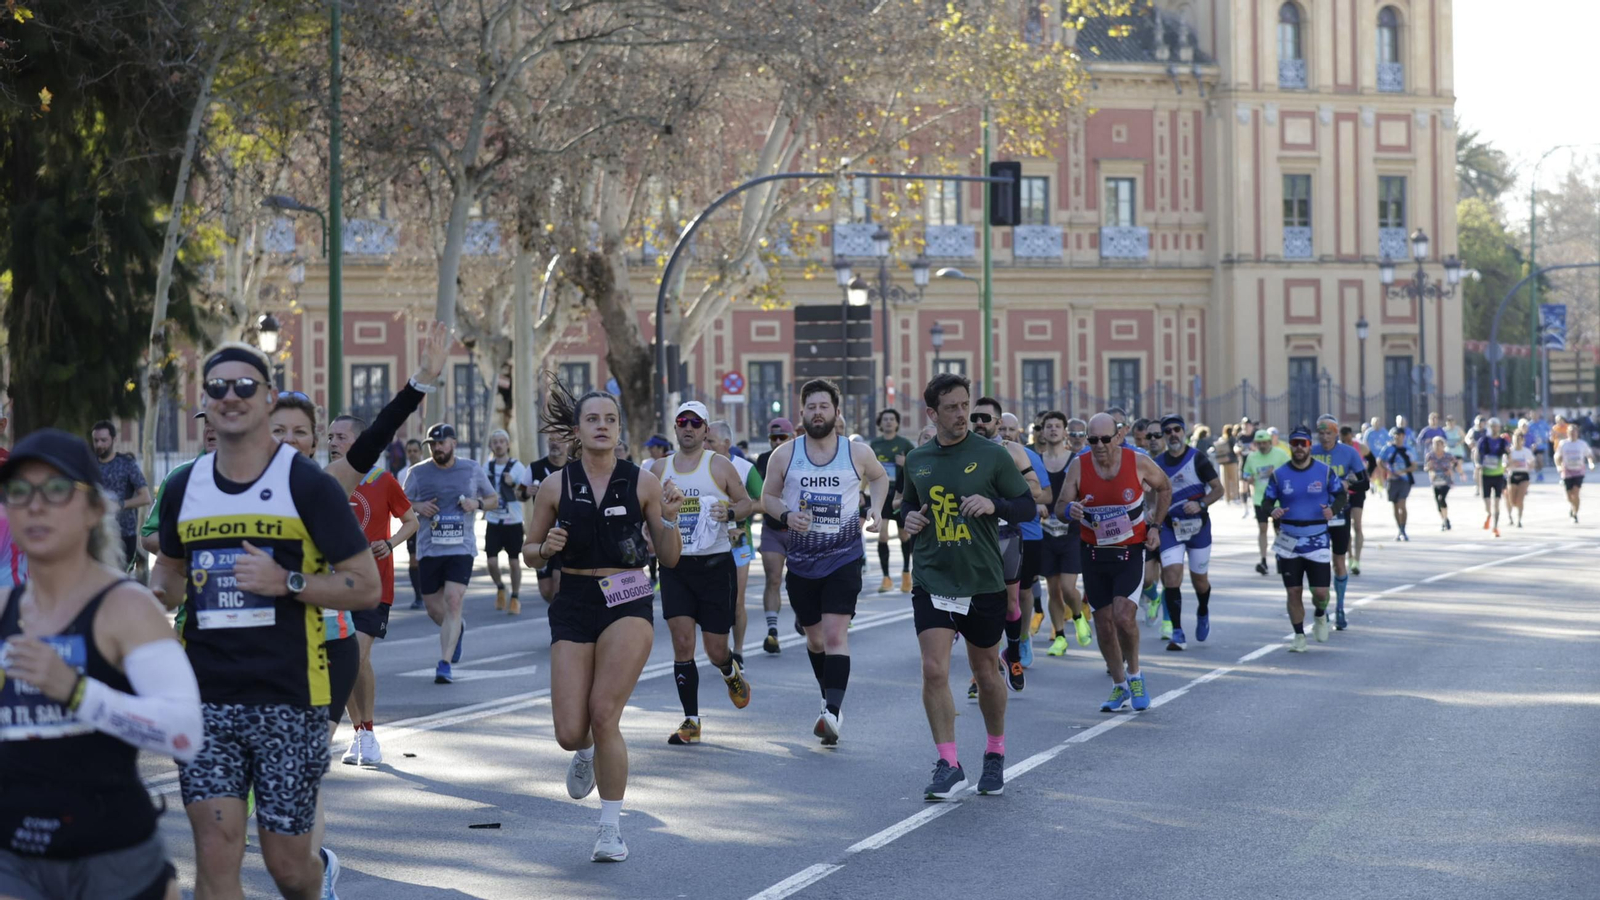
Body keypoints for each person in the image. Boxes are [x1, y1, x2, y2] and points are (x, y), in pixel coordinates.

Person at [149, 342, 380, 900]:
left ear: (268, 397)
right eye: (218, 388)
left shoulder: (307, 485)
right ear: (204, 401)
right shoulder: (184, 487)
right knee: (216, 854)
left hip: (290, 698)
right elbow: (171, 577)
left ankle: (319, 876)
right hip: (206, 699)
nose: (232, 397)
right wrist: (153, 593)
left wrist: (288, 582)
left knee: (286, 865)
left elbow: (365, 585)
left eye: (245, 386)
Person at [0, 429, 202, 900]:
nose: (34, 505)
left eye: (55, 489)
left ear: (94, 510)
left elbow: (185, 733)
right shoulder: (4, 608)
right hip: (14, 856)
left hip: (113, 858)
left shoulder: (125, 607)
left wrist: (76, 691)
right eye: (18, 491)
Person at [523, 386, 684, 863]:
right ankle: (585, 750)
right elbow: (529, 554)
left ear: (618, 429)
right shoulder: (555, 486)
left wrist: (670, 522)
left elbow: (670, 559)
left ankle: (610, 828)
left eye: (610, 419)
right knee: (570, 732)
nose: (601, 425)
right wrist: (545, 549)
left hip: (628, 596)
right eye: (591, 418)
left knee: (604, 712)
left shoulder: (643, 483)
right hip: (573, 599)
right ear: (577, 431)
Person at [900, 373, 1034, 799]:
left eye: (965, 405)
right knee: (934, 669)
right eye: (953, 408)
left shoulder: (992, 456)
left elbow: (1027, 504)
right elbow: (906, 503)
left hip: (981, 579)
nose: (962, 415)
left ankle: (994, 753)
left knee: (985, 671)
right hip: (932, 576)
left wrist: (995, 503)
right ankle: (948, 761)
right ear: (932, 414)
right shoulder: (918, 458)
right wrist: (908, 518)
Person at [759, 381, 888, 744]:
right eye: (811, 407)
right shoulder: (784, 455)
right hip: (801, 561)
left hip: (844, 556)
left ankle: (832, 711)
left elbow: (879, 478)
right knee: (815, 640)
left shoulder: (857, 452)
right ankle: (827, 697)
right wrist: (786, 516)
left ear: (836, 412)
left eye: (824, 406)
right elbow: (767, 496)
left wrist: (876, 509)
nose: (818, 412)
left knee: (834, 635)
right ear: (802, 413)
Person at [646, 401, 755, 746]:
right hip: (676, 566)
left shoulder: (718, 465)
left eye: (696, 422)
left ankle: (729, 671)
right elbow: (645, 510)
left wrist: (730, 512)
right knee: (682, 644)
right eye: (682, 422)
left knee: (715, 649)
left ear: (706, 430)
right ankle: (691, 720)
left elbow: (746, 503)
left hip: (714, 566)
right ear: (675, 429)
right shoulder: (657, 469)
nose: (688, 427)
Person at [1056, 412, 1171, 714]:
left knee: (1123, 618)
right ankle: (1119, 685)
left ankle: (1135, 675)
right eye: (1093, 440)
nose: (1099, 445)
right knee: (1104, 626)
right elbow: (1059, 507)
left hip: (1129, 551)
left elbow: (1165, 487)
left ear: (1119, 436)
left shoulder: (1138, 462)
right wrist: (1070, 510)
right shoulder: (1079, 466)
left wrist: (1156, 527)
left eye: (1105, 439)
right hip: (1093, 554)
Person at [329, 414, 417, 767]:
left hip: (373, 586)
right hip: (333, 587)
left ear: (360, 442)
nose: (333, 442)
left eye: (341, 436)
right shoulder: (325, 481)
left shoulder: (383, 480)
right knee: (345, 661)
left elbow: (411, 520)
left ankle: (368, 734)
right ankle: (360, 733)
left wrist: (390, 542)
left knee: (356, 658)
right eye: (330, 436)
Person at [403, 422, 499, 685]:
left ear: (453, 443)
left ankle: (444, 663)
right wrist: (418, 506)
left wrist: (476, 503)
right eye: (432, 444)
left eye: (441, 443)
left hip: (461, 547)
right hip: (429, 548)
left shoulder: (471, 469)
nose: (436, 448)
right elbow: (400, 505)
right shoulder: (418, 473)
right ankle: (458, 630)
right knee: (435, 609)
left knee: (453, 600)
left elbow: (493, 499)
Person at [968, 399, 1047, 691]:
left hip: (1006, 535)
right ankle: (981, 671)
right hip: (972, 538)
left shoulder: (1012, 451)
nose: (978, 422)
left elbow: (1036, 490)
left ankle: (1012, 654)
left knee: (1011, 603)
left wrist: (999, 497)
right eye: (974, 416)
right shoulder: (961, 450)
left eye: (985, 418)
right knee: (976, 606)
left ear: (998, 423)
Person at [1262, 426, 1346, 653]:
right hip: (1288, 540)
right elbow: (1266, 501)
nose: (1299, 447)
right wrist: (1273, 511)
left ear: (1310, 446)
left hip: (1317, 539)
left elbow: (1341, 495)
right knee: (1293, 591)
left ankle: (1320, 614)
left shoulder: (1325, 471)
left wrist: (1332, 510)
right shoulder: (1279, 475)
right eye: (1295, 443)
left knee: (1320, 592)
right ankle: (1299, 634)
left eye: (1303, 443)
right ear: (1290, 445)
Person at [1154, 414, 1223, 650]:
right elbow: (1150, 495)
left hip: (1198, 527)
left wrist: (1201, 504)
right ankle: (1177, 632)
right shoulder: (1157, 463)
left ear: (1183, 432)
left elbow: (1218, 489)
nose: (1173, 434)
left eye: (1177, 430)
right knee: (1171, 577)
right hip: (1169, 527)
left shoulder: (1198, 459)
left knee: (1200, 581)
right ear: (1164, 436)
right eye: (1168, 431)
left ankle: (1203, 611)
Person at [707, 420, 762, 665]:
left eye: (710, 441)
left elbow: (763, 501)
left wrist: (737, 508)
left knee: (737, 598)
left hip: (739, 541)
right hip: (707, 543)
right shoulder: (699, 465)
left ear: (726, 443)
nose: (705, 445)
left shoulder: (744, 468)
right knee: (715, 600)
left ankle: (738, 651)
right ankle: (720, 650)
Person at [1038, 414, 1091, 656]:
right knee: (1053, 589)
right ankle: (1059, 637)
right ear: (1042, 432)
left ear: (1065, 432)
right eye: (1048, 426)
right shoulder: (1036, 461)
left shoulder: (1076, 461)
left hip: (1071, 531)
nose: (1053, 430)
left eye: (1057, 426)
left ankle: (1078, 616)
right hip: (1045, 532)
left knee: (1069, 588)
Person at [1311, 416, 1369, 630]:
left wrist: (1347, 482)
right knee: (1317, 563)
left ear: (1336, 434)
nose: (1325, 437)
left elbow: (1365, 482)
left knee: (1338, 562)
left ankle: (1340, 608)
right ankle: (1321, 608)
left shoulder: (1349, 453)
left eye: (1329, 433)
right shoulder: (1311, 452)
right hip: (1314, 516)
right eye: (1321, 433)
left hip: (1339, 514)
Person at [1001, 411, 1046, 668]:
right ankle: (999, 645)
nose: (1006, 433)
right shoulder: (985, 455)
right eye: (1003, 428)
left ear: (1018, 432)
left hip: (1027, 533)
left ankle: (1023, 637)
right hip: (997, 534)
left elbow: (1044, 493)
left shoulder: (1027, 457)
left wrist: (1031, 502)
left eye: (1011, 429)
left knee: (1024, 591)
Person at [140, 412, 216, 557]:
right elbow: (148, 535)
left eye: (217, 421)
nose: (210, 428)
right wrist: (190, 554)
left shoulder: (258, 476)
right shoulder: (178, 478)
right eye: (207, 422)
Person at [754, 417, 793, 653]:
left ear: (792, 438)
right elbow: (757, 494)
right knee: (774, 578)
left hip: (799, 530)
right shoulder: (762, 460)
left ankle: (803, 618)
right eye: (773, 438)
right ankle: (772, 632)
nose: (777, 441)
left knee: (800, 580)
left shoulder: (801, 457)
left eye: (782, 437)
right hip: (772, 529)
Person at [89, 420, 151, 571]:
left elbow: (145, 498)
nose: (99, 445)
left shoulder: (126, 464)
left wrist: (121, 505)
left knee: (122, 580)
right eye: (96, 440)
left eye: (104, 440)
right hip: (96, 535)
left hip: (125, 535)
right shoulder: (90, 465)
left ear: (114, 440)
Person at [482, 430, 529, 615]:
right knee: (491, 562)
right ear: (491, 446)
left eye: (502, 441)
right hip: (493, 520)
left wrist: (514, 484)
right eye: (495, 442)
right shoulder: (487, 467)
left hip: (513, 521)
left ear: (508, 444)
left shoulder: (517, 467)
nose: (499, 445)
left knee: (514, 562)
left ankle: (515, 597)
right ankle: (501, 587)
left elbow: (525, 493)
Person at [869, 409, 915, 595]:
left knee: (904, 536)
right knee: (882, 535)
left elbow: (916, 467)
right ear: (880, 423)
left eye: (892, 419)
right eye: (885, 419)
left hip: (901, 494)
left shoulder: (904, 444)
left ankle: (906, 574)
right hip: (882, 494)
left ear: (897, 423)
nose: (888, 422)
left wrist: (906, 463)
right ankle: (886, 578)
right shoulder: (875, 444)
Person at [520, 437, 571, 604]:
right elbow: (519, 493)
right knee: (546, 590)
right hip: (543, 533)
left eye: (559, 439)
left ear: (568, 442)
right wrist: (527, 491)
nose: (555, 443)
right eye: (551, 439)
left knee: (559, 583)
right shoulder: (535, 468)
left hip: (567, 534)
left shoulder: (576, 468)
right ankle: (560, 613)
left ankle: (564, 621)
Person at [1241, 429, 1290, 576]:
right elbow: (1245, 473)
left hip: (1278, 499)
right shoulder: (1252, 457)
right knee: (1262, 529)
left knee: (1279, 530)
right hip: (1260, 499)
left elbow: (1291, 469)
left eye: (1264, 443)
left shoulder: (1280, 454)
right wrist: (1248, 478)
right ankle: (1263, 560)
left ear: (1270, 442)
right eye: (1259, 443)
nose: (1262, 445)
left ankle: (1281, 558)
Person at [1377, 426, 1418, 541]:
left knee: (1402, 503)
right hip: (1392, 480)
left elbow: (1414, 465)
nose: (1397, 437)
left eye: (1399, 435)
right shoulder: (1388, 449)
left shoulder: (1408, 449)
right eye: (1395, 435)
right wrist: (1387, 471)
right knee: (1394, 505)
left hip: (1405, 480)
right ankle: (1399, 529)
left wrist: (1403, 471)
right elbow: (1379, 461)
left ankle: (1403, 529)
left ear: (1403, 436)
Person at [1343, 425, 1372, 574]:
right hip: (1343, 492)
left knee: (1358, 525)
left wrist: (1368, 476)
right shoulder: (1338, 451)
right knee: (1345, 527)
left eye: (1348, 440)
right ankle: (1350, 557)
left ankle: (1357, 561)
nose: (1346, 443)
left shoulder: (1359, 447)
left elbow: (1372, 460)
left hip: (1358, 491)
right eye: (1343, 441)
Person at [1475, 417, 1509, 537]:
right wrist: (1478, 464)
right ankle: (1489, 515)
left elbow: (1508, 453)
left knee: (1497, 502)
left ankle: (1495, 526)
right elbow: (1477, 454)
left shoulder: (1503, 441)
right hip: (1486, 474)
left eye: (1496, 426)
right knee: (1488, 504)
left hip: (1498, 474)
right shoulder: (1483, 441)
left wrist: (1507, 464)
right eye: (1492, 426)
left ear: (1499, 427)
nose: (1494, 428)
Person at [404, 439, 427, 609]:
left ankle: (431, 593)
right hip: (412, 523)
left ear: (421, 452)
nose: (412, 454)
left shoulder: (428, 471)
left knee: (429, 559)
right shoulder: (402, 474)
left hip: (429, 522)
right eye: (409, 451)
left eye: (415, 450)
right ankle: (418, 596)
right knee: (413, 560)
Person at [1556, 431, 1595, 522]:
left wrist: (1591, 464)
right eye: (1570, 432)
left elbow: (1589, 455)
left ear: (1577, 433)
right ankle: (1573, 506)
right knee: (1569, 496)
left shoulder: (1582, 444)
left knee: (1576, 493)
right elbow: (1558, 456)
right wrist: (1558, 466)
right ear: (1567, 433)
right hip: (1567, 471)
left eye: (1574, 432)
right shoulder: (1564, 444)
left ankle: (1575, 514)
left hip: (1578, 471)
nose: (1573, 434)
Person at [1424, 436, 1461, 532]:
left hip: (1446, 481)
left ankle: (1445, 520)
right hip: (1435, 481)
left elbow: (1456, 463)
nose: (1437, 447)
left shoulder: (1448, 455)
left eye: (1439, 445)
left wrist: (1451, 469)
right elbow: (1426, 468)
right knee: (1438, 502)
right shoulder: (1430, 456)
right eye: (1435, 445)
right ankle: (1445, 520)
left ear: (1443, 446)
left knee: (1442, 499)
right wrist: (1429, 468)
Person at [1506, 430, 1535, 528]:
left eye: (1519, 439)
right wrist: (1510, 464)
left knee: (1520, 499)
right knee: (1512, 501)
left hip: (1524, 475)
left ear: (1523, 440)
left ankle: (1519, 520)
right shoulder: (1509, 451)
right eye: (1515, 439)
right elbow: (1504, 465)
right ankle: (1511, 516)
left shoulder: (1526, 451)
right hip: (1513, 474)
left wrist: (1529, 465)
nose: (1517, 441)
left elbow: (1532, 463)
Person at [1214, 424, 1241, 504]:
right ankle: (1235, 496)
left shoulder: (1222, 439)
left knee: (1225, 480)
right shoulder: (1232, 439)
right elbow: (1234, 449)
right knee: (1234, 479)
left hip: (1223, 461)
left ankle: (1227, 497)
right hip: (1232, 461)